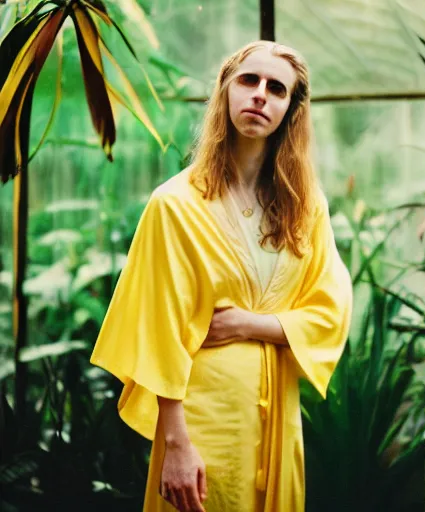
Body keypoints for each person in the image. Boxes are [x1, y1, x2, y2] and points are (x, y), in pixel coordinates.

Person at [90, 40, 352, 512]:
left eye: (277, 88)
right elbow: (157, 334)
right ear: (225, 91)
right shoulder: (174, 205)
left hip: (276, 421)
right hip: (200, 421)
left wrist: (250, 325)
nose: (260, 94)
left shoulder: (305, 208)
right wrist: (176, 446)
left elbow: (330, 310)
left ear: (291, 109)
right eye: (248, 80)